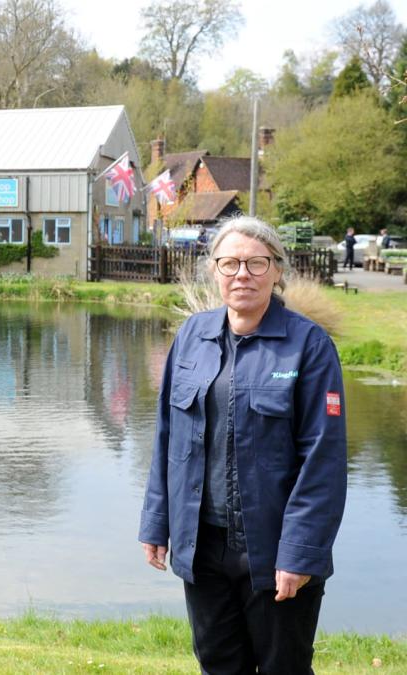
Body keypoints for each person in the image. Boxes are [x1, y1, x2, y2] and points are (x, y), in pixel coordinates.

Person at [139, 216, 347, 674]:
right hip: (203, 545)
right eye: (230, 263)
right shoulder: (192, 337)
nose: (242, 275)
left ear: (277, 271)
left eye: (256, 263)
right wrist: (156, 522)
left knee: (282, 667)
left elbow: (323, 461)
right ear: (213, 271)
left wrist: (300, 553)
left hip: (274, 549)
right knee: (217, 662)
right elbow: (166, 437)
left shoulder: (309, 347)